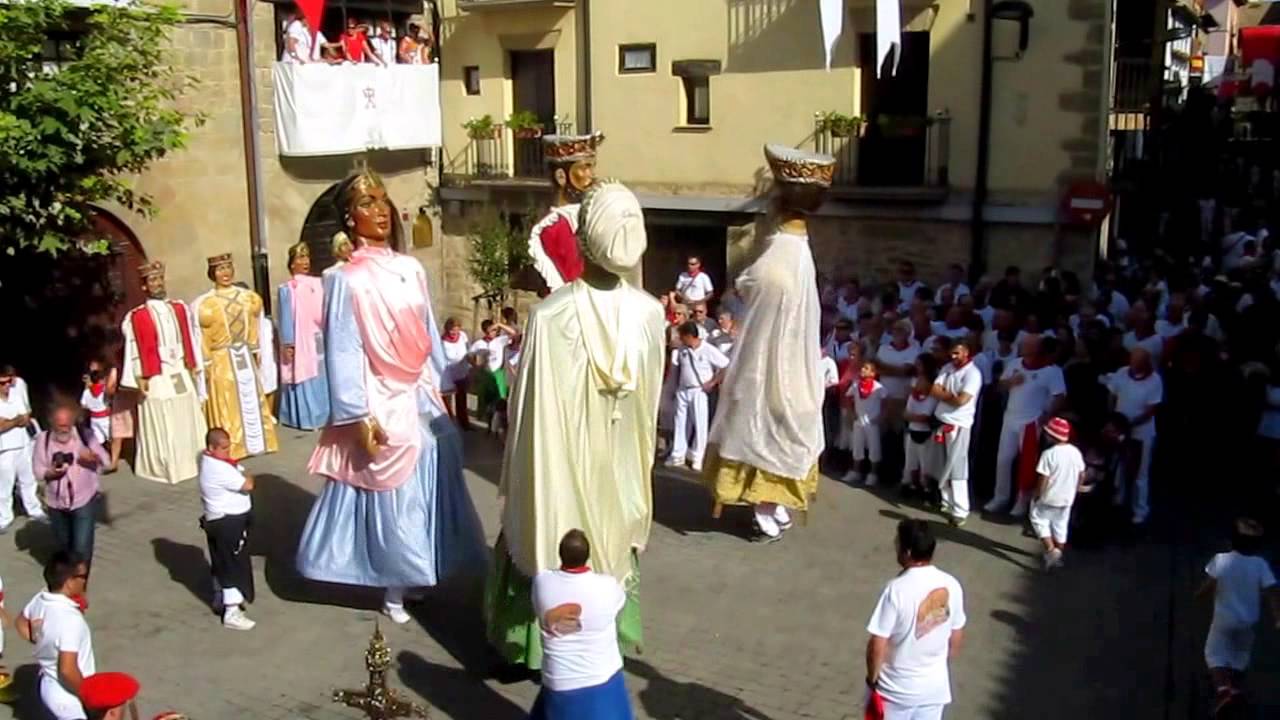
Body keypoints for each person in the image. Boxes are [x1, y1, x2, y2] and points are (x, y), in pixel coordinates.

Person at [487, 181, 665, 671]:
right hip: (619, 462)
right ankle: (604, 634)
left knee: (553, 526)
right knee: (609, 532)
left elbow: (528, 414)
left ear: (583, 237)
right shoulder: (651, 315)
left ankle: (535, 643)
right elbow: (650, 404)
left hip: (562, 461)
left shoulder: (550, 315)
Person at [297, 170, 486, 625]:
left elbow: (425, 332)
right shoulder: (344, 278)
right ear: (350, 217)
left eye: (383, 200)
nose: (379, 210)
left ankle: (422, 562)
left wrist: (444, 380)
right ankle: (392, 581)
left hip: (415, 385)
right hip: (379, 391)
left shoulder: (411, 268)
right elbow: (343, 347)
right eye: (367, 203)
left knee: (436, 459)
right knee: (395, 474)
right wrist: (356, 411)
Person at [705, 144, 832, 543]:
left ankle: (764, 510)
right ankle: (772, 507)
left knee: (756, 428)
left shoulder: (780, 251)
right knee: (774, 426)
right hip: (792, 359)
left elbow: (750, 285)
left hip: (768, 358)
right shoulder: (800, 249)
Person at [865, 519, 966, 720]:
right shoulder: (951, 584)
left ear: (908, 552)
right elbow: (955, 637)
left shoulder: (896, 589)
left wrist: (872, 679)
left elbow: (878, 643)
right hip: (934, 690)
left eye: (897, 543)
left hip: (895, 691)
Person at [529, 530, 634, 720]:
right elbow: (619, 603)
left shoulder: (542, 582)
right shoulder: (607, 587)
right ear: (587, 556)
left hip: (558, 678)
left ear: (560, 554)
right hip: (601, 677)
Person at [121, 261, 207, 484]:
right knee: (162, 413)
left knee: (185, 409)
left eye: (160, 279)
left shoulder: (179, 308)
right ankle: (166, 466)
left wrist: (195, 363)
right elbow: (133, 346)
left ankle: (192, 460)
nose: (158, 284)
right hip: (156, 372)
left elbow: (191, 337)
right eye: (152, 280)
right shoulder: (137, 316)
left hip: (179, 367)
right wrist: (138, 375)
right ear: (144, 287)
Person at [193, 254, 279, 459]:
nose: (225, 273)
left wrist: (256, 350)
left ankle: (256, 442)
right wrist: (205, 362)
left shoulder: (248, 297)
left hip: (244, 354)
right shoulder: (205, 303)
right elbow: (202, 336)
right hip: (221, 358)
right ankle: (232, 445)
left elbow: (256, 328)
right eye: (220, 269)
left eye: (228, 267)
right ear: (212, 274)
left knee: (250, 395)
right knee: (226, 399)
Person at [1197, 518, 1280, 711]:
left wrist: (1198, 595)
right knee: (1240, 655)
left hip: (1224, 619)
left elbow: (1209, 585)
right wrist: (1277, 616)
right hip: (1248, 621)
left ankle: (1224, 689)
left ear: (1231, 541)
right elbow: (1272, 592)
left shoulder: (1221, 560)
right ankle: (1235, 688)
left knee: (1214, 653)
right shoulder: (1260, 565)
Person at [985, 335, 1067, 517]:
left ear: (1037, 349)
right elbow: (999, 387)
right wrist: (1010, 383)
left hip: (1031, 422)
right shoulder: (1014, 364)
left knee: (1027, 463)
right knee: (1003, 459)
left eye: (1027, 345)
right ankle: (1000, 497)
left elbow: (1059, 396)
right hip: (1010, 418)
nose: (1021, 347)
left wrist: (1046, 416)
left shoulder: (1052, 372)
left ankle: (1022, 501)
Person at [18, 552, 95, 720]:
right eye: (82, 576)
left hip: (47, 684)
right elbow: (67, 670)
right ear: (69, 582)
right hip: (67, 698)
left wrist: (40, 639)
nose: (85, 581)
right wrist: (90, 697)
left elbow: (21, 622)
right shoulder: (70, 620)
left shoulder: (41, 598)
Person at [525, 133, 604, 293]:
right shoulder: (554, 226)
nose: (592, 175)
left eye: (592, 167)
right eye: (585, 167)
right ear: (561, 177)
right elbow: (572, 276)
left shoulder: (591, 215)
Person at [199, 427, 257, 631]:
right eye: (223, 448)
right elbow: (248, 484)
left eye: (228, 447)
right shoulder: (219, 469)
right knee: (233, 564)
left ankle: (219, 597)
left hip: (218, 521)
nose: (228, 451)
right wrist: (247, 475)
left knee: (219, 561)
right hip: (228, 524)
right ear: (211, 448)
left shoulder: (211, 462)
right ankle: (232, 611)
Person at [33, 406, 106, 563]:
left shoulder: (85, 436)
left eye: (68, 425)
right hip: (56, 503)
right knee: (64, 547)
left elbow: (106, 461)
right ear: (52, 423)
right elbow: (38, 472)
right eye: (60, 425)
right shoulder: (43, 440)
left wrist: (92, 458)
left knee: (81, 548)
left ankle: (80, 582)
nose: (65, 429)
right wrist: (52, 473)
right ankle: (66, 581)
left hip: (83, 501)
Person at [1103, 347, 1163, 525]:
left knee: (1140, 473)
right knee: (1117, 465)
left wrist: (1128, 424)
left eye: (1137, 363)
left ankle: (1140, 509)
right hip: (1118, 429)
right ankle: (1118, 499)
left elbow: (1151, 410)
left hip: (1141, 433)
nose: (1133, 366)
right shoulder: (1121, 373)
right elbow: (1112, 394)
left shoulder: (1155, 381)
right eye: (1132, 361)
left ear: (1145, 363)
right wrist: (1112, 419)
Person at [277, 241, 330, 431]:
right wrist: (288, 342)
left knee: (321, 373)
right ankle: (306, 417)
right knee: (302, 372)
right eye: (300, 258)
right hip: (300, 338)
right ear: (292, 263)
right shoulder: (288, 288)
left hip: (317, 335)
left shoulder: (318, 283)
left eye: (306, 257)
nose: (305, 261)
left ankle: (325, 414)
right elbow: (285, 316)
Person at [929, 339, 983, 527]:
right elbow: (934, 389)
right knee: (942, 465)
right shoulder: (947, 367)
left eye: (957, 353)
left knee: (957, 468)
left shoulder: (973, 374)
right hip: (942, 421)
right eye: (951, 353)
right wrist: (948, 396)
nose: (953, 357)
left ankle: (960, 509)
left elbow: (962, 400)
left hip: (959, 426)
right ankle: (946, 502)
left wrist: (945, 395)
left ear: (966, 352)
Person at [666, 321, 730, 473]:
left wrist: (713, 382)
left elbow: (725, 365)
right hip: (683, 389)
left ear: (690, 336)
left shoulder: (708, 349)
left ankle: (697, 457)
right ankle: (678, 454)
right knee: (680, 422)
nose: (681, 339)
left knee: (700, 424)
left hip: (699, 390)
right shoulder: (682, 349)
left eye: (683, 337)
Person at [1030, 417, 1085, 571]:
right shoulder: (1075, 452)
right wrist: (1077, 488)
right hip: (1067, 498)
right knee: (1060, 525)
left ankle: (1051, 550)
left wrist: (1037, 494)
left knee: (1039, 520)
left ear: (1051, 436)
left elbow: (1044, 477)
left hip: (1049, 497)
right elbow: (1082, 474)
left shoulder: (1048, 454)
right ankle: (1059, 553)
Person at [0, 365, 44, 530]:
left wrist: (8, 421)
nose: (6, 386)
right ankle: (4, 518)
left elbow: (25, 418)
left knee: (29, 480)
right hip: (4, 450)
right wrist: (14, 421)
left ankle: (34, 510)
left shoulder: (16, 397)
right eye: (2, 383)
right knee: (4, 485)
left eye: (8, 382)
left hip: (23, 445)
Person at [843, 359, 885, 486]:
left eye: (866, 368)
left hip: (872, 422)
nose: (862, 370)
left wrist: (880, 417)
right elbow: (848, 398)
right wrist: (851, 413)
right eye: (862, 368)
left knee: (874, 448)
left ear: (873, 373)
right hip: (859, 420)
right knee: (857, 446)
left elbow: (886, 403)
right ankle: (856, 471)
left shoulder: (878, 387)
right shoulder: (856, 385)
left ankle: (873, 474)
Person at [902, 354, 940, 495]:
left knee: (926, 465)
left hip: (926, 434)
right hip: (912, 431)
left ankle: (927, 489)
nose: (917, 384)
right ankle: (912, 485)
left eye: (921, 382)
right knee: (910, 461)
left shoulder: (932, 398)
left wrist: (914, 417)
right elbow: (906, 413)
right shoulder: (913, 397)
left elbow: (925, 417)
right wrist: (914, 417)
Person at [471, 319, 514, 429]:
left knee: (501, 399)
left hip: (498, 372)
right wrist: (475, 365)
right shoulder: (479, 344)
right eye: (491, 331)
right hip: (486, 374)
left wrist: (500, 324)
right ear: (485, 331)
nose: (494, 333)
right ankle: (488, 424)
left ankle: (502, 424)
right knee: (487, 400)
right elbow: (469, 356)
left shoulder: (499, 341)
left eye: (495, 330)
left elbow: (514, 334)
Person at [439, 318, 473, 429]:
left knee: (462, 399)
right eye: (452, 330)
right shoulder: (442, 341)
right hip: (449, 373)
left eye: (456, 330)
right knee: (447, 401)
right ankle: (448, 423)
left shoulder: (463, 336)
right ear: (447, 329)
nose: (454, 332)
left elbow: (468, 350)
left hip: (462, 371)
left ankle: (464, 423)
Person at [79, 360, 112, 445]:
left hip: (94, 418)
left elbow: (83, 405)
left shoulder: (87, 391)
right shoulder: (104, 390)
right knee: (111, 438)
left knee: (98, 441)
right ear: (101, 380)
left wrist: (91, 407)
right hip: (104, 418)